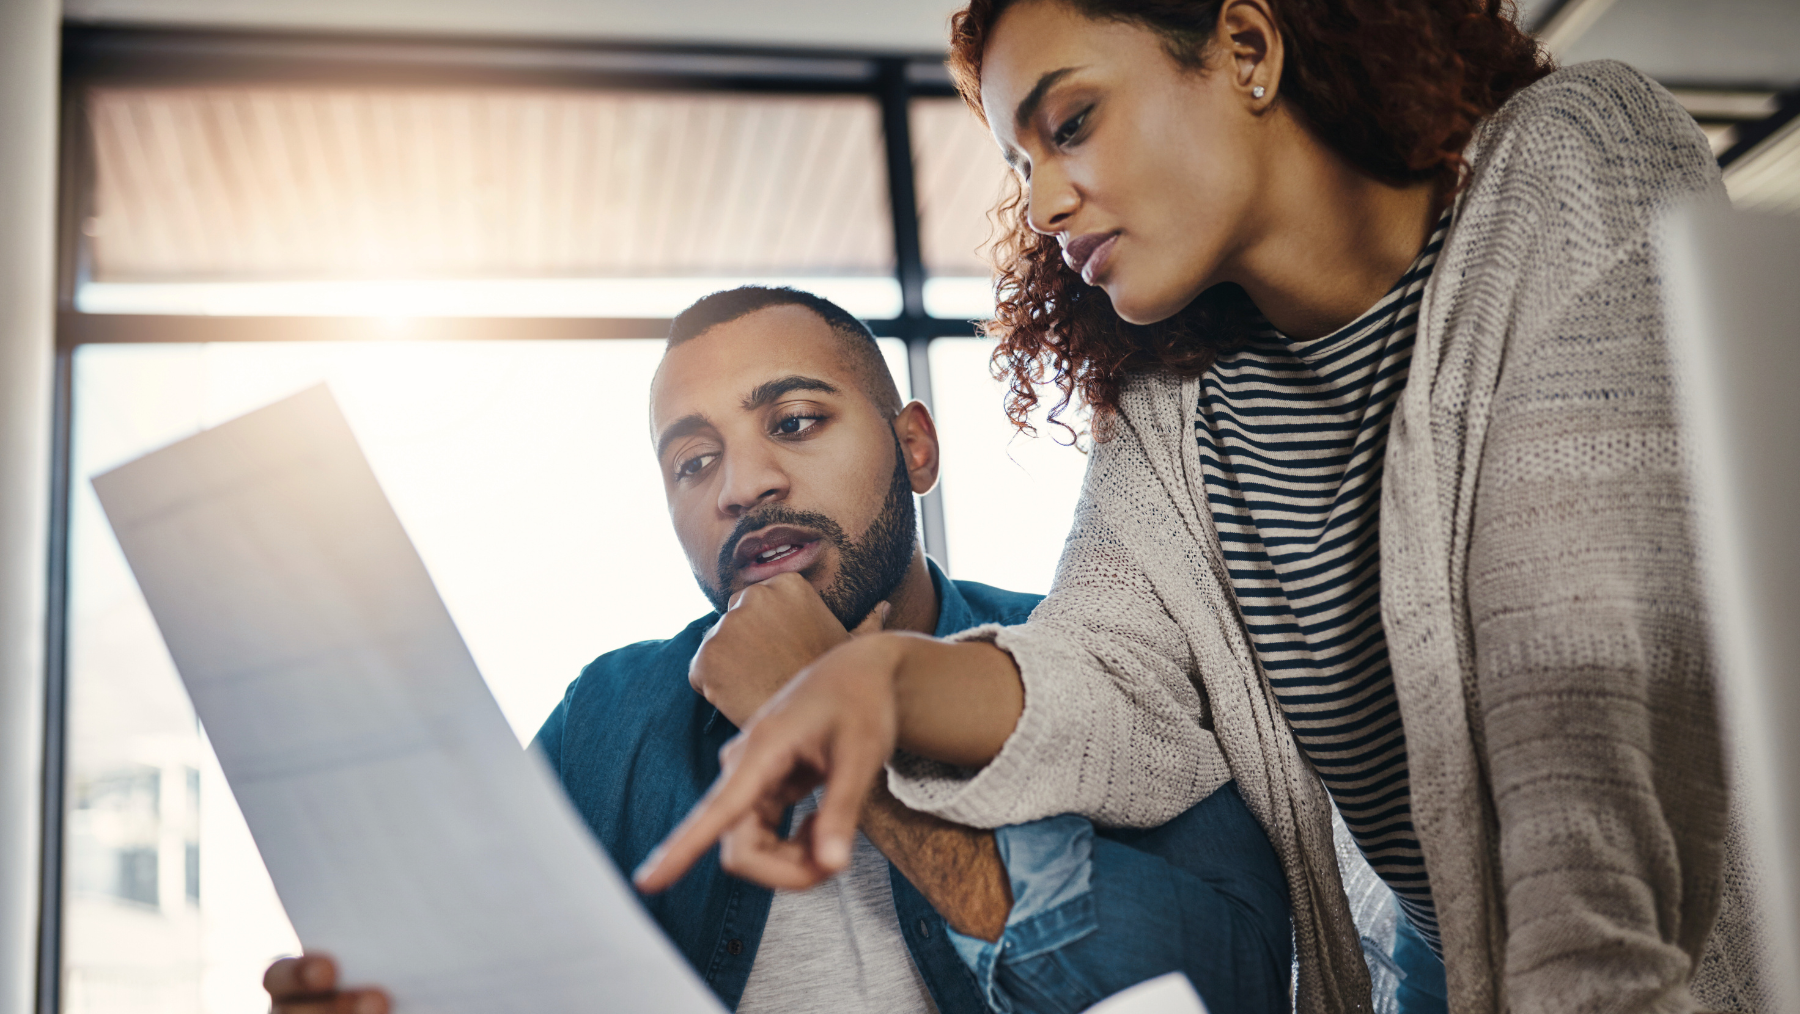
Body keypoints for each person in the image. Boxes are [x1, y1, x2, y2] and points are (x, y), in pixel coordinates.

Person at [636, 4, 1766, 1013]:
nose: (1044, 201)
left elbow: (1586, 694)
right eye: (1021, 165)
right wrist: (879, 678)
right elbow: (1107, 676)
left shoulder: (1573, 156)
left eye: (1069, 124)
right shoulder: (1180, 406)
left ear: (1247, 47)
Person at [261, 286, 1294, 1014]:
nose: (739, 486)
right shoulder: (610, 716)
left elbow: (1238, 986)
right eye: (693, 461)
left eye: (794, 423)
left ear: (916, 447)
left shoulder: (1095, 655)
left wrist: (835, 718)